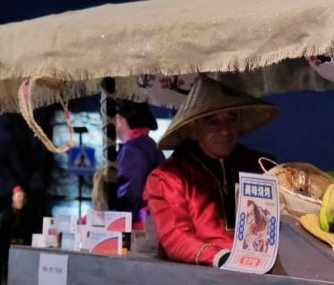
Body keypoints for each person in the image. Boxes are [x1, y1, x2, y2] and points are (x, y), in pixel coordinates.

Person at [144, 76, 277, 267]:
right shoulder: (167, 178)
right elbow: (175, 238)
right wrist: (221, 257)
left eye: (231, 119)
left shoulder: (261, 166)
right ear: (192, 129)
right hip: (199, 281)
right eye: (212, 122)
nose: (225, 131)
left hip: (261, 275)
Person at [109, 99, 164, 220]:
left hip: (140, 223)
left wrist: (113, 219)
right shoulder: (149, 145)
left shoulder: (133, 149)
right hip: (154, 218)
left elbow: (130, 194)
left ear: (120, 120)